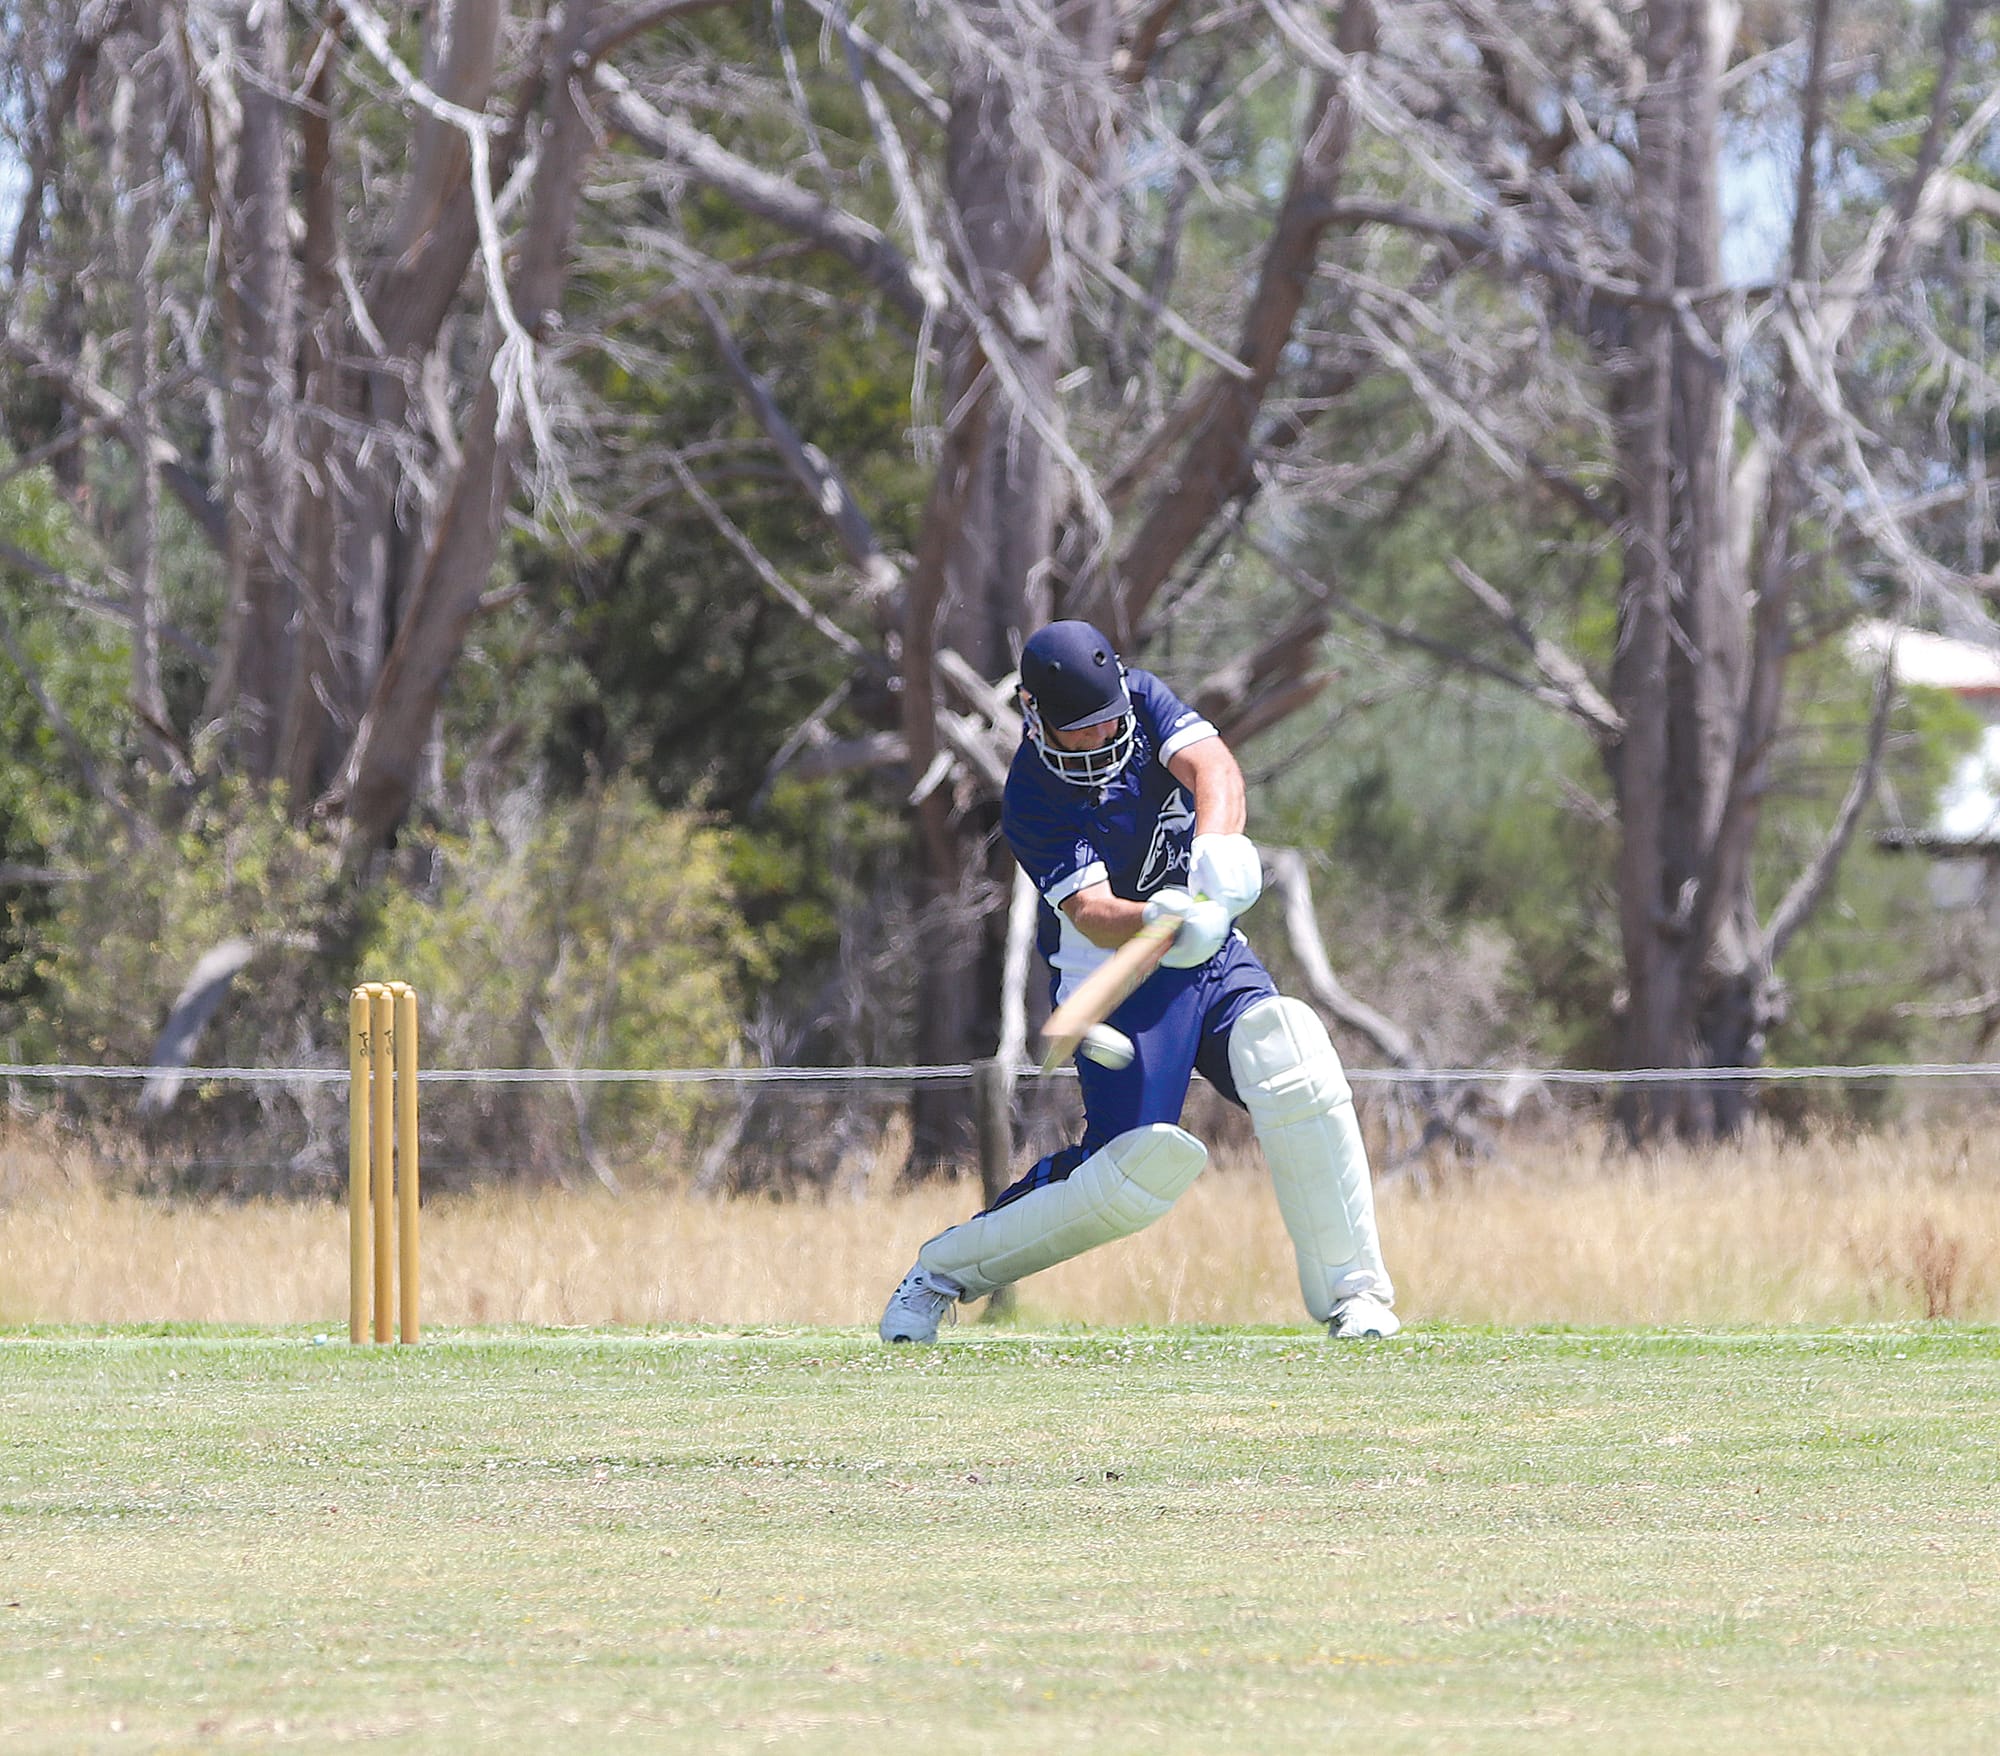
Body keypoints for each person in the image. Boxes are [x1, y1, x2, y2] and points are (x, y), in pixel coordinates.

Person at [878, 619, 1399, 1343]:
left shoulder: (1146, 699)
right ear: (1033, 713)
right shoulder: (1032, 796)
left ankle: (1358, 1297)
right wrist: (1159, 915)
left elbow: (1214, 768)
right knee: (1123, 1181)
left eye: (1108, 723)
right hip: (1120, 981)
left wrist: (1216, 848)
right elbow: (1091, 912)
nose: (1099, 740)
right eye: (1078, 732)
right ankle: (941, 1274)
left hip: (1210, 954)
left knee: (1292, 1061)